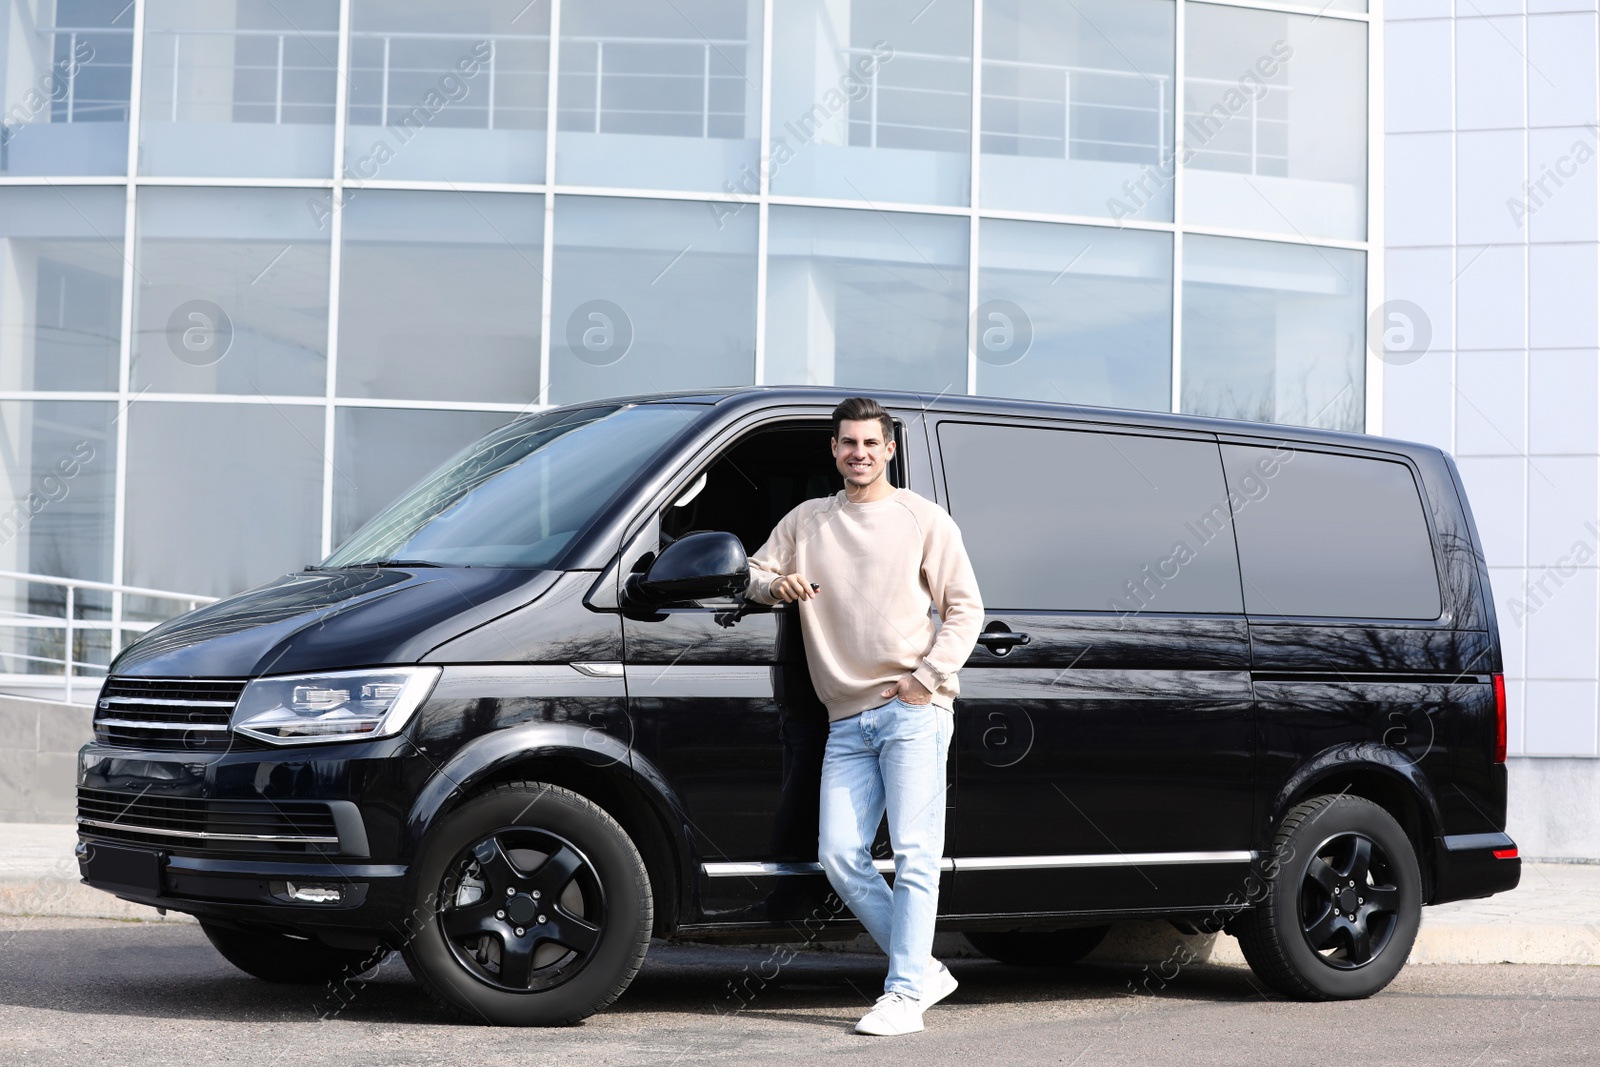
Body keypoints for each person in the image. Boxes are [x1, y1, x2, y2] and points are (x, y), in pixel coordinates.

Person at [744, 396, 984, 1036]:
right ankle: (924, 970)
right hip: (845, 721)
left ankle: (905, 995)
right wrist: (776, 587)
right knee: (839, 856)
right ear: (834, 450)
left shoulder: (922, 519)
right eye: (848, 443)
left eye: (871, 444)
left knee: (914, 855)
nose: (859, 453)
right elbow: (753, 573)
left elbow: (965, 610)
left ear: (890, 450)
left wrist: (924, 680)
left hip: (911, 711)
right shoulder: (808, 521)